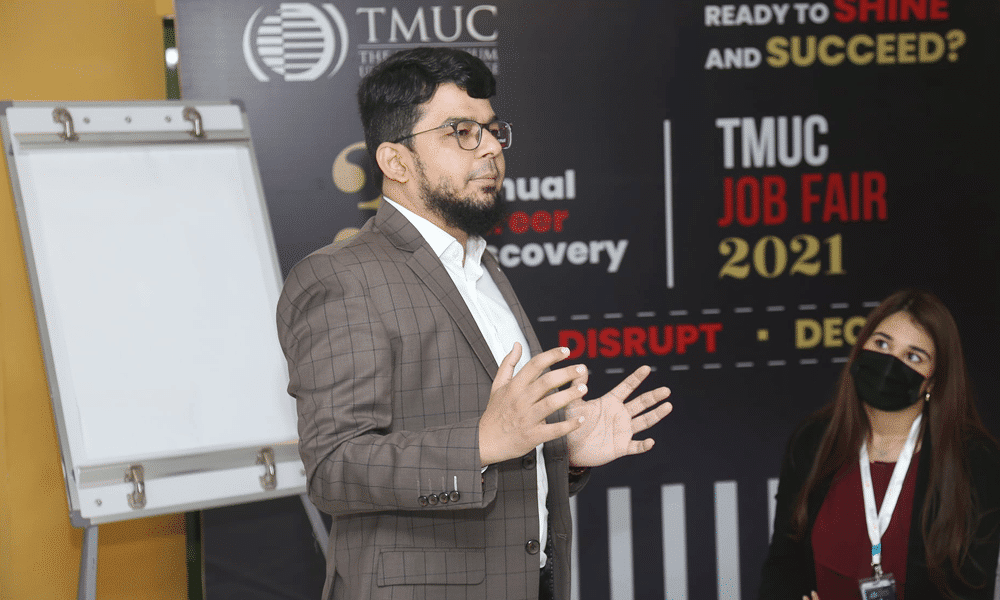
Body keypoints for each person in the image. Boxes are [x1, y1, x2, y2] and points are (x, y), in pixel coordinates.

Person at [276, 47, 673, 600]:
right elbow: (334, 469)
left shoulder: (484, 268)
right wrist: (484, 441)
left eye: (491, 130)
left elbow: (505, 460)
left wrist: (562, 452)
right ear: (396, 162)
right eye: (460, 132)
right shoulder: (340, 277)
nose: (489, 147)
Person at [759, 289, 1000, 600]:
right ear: (861, 349)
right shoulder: (814, 439)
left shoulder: (975, 461)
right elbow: (783, 565)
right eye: (882, 344)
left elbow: (970, 590)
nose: (890, 362)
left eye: (913, 356)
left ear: (933, 381)